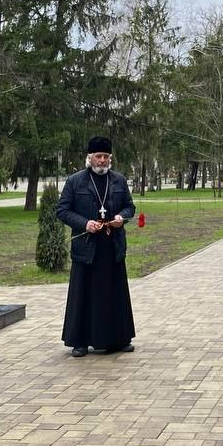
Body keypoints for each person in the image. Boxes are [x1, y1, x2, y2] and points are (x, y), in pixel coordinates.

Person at [56, 136, 138, 357]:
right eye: (98, 156)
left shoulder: (119, 180)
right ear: (89, 157)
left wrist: (122, 217)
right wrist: (85, 223)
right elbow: (62, 210)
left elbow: (130, 207)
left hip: (112, 247)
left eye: (106, 157)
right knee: (83, 295)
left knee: (115, 294)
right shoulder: (75, 181)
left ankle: (119, 339)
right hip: (87, 247)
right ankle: (80, 342)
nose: (102, 160)